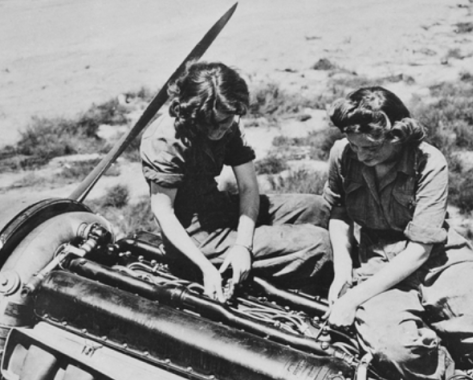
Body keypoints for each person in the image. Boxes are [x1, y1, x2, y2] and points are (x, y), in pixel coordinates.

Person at [322, 86, 473, 380]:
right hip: (376, 263)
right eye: (355, 146)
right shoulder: (342, 153)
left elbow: (418, 250)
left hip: (437, 259)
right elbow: (339, 215)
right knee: (398, 353)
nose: (360, 155)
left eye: (369, 148)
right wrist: (343, 273)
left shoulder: (429, 161)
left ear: (396, 136)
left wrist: (352, 299)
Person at [140, 61, 332, 302]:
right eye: (212, 123)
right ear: (193, 112)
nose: (219, 130)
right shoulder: (166, 140)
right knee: (319, 244)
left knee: (321, 208)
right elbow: (164, 214)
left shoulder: (228, 116)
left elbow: (248, 186)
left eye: (226, 121)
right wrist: (205, 268)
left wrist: (243, 245)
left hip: (219, 207)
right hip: (194, 236)